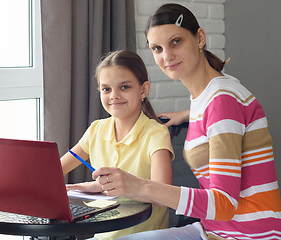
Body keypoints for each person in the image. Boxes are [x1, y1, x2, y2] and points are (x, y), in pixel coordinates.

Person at [92, 4, 281, 240]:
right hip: (212, 229)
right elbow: (223, 116)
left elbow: (224, 205)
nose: (166, 56)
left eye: (176, 42)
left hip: (247, 234)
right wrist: (188, 114)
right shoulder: (209, 96)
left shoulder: (222, 100)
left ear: (199, 38)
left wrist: (140, 186)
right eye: (157, 48)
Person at [60, 49, 175, 240]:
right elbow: (56, 170)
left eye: (124, 87)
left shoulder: (155, 133)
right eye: (106, 89)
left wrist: (100, 187)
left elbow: (162, 193)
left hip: (145, 235)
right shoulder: (96, 129)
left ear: (143, 90)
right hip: (104, 236)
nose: (114, 95)